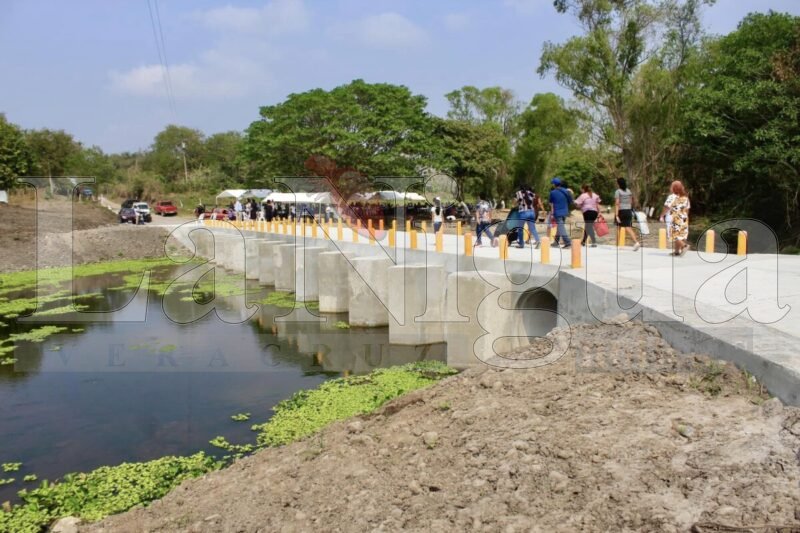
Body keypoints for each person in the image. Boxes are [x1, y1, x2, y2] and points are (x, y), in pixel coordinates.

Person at [660, 181, 690, 256]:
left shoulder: (672, 196)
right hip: (683, 217)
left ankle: (684, 246)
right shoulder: (685, 197)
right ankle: (677, 251)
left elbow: (667, 207)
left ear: (674, 188)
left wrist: (661, 215)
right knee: (680, 234)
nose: (670, 188)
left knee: (673, 234)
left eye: (671, 186)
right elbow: (687, 209)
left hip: (673, 217)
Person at [614, 177, 640, 251]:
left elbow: (617, 203)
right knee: (624, 227)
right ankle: (617, 245)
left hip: (621, 211)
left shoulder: (618, 191)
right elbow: (631, 201)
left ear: (618, 183)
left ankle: (636, 242)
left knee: (625, 227)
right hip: (628, 211)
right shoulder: (629, 191)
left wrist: (616, 215)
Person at [548, 177, 573, 248]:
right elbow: (571, 201)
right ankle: (556, 242)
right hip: (565, 211)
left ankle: (568, 242)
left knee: (561, 227)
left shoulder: (552, 192)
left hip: (557, 212)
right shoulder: (567, 191)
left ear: (554, 184)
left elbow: (550, 203)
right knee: (560, 226)